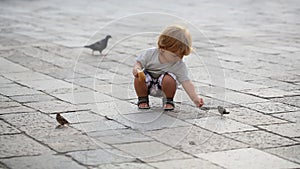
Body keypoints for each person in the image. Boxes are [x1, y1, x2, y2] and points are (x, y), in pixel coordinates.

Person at [132, 25, 204, 110]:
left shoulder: (179, 64)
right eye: (175, 55)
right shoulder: (150, 54)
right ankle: (143, 99)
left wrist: (195, 98)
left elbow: (186, 82)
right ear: (162, 48)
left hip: (165, 87)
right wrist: (137, 69)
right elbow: (138, 63)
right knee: (138, 78)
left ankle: (168, 100)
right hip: (148, 84)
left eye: (182, 55)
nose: (179, 58)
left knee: (168, 79)